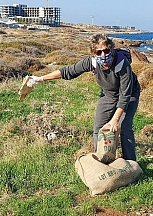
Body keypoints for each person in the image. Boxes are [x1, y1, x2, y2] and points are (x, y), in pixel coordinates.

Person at [26, 33, 141, 161]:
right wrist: (40, 79)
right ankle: (102, 158)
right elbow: (68, 71)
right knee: (99, 127)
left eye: (106, 50)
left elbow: (125, 96)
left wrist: (115, 119)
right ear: (93, 53)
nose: (103, 55)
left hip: (130, 94)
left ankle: (131, 162)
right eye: (99, 52)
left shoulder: (121, 63)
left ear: (111, 48)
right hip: (109, 94)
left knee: (124, 126)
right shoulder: (91, 62)